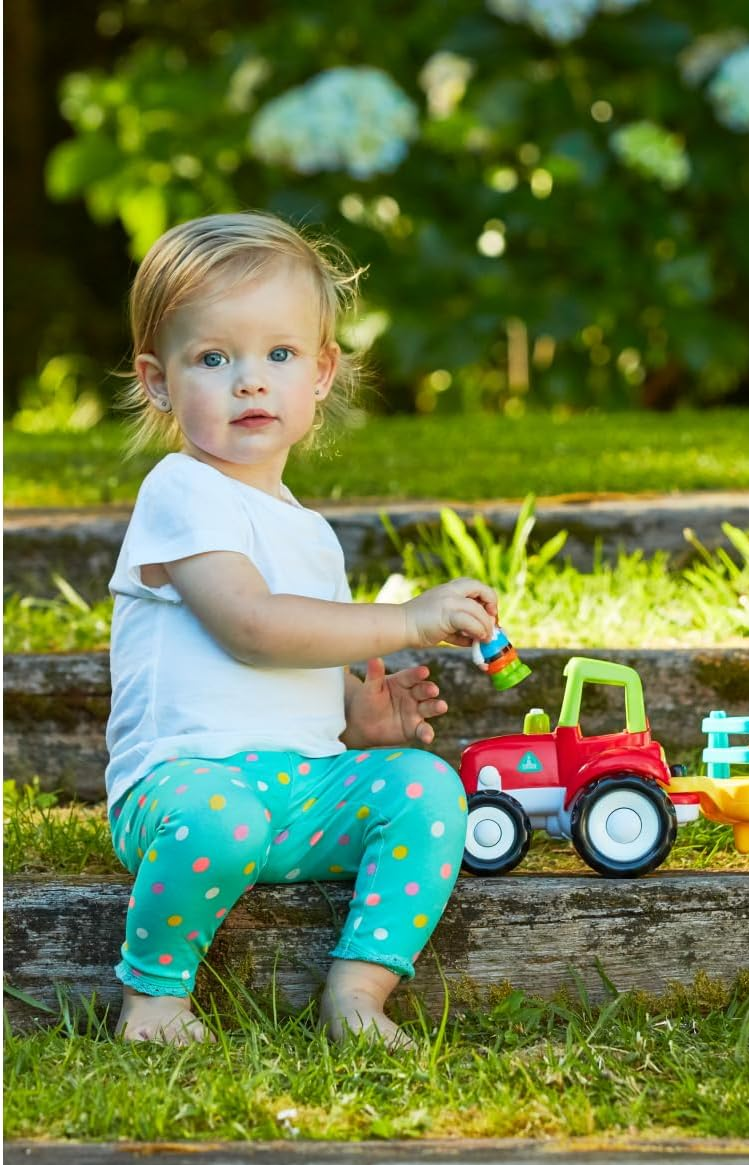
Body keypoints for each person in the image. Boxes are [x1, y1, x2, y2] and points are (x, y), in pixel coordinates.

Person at [105, 211, 497, 1047]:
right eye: (214, 358)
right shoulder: (180, 492)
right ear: (158, 381)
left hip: (301, 790)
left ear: (320, 373)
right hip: (182, 788)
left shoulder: (307, 530)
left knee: (425, 789)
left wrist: (358, 717)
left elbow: (297, 666)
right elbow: (251, 628)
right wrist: (407, 619)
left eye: (278, 355)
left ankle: (358, 994)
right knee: (222, 821)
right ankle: (154, 998)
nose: (251, 381)